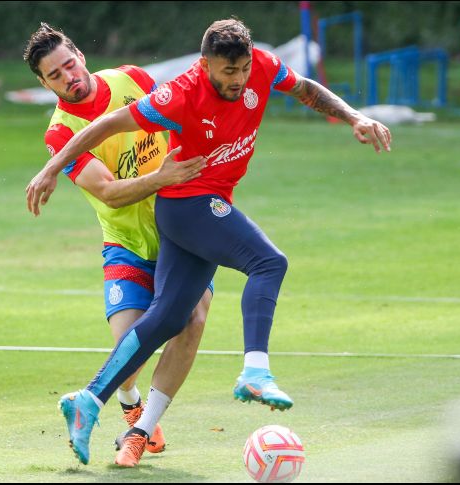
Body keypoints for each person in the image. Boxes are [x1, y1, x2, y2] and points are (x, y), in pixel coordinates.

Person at [26, 18, 392, 467]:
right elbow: (106, 143)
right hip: (176, 212)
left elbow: (305, 88)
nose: (236, 81)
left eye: (241, 70)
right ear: (206, 65)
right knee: (269, 263)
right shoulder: (178, 93)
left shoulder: (256, 67)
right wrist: (50, 170)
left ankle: (90, 401)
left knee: (173, 318)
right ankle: (255, 370)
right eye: (226, 73)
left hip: (182, 213)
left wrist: (354, 115)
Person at [22, 23, 213, 466]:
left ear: (80, 57)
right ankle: (130, 404)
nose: (69, 76)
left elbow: (180, 117)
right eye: (55, 74)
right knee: (129, 350)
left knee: (194, 317)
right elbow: (107, 191)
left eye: (70, 64)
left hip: (179, 232)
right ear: (44, 83)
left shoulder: (132, 79)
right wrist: (162, 177)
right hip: (126, 242)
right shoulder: (60, 134)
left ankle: (142, 432)